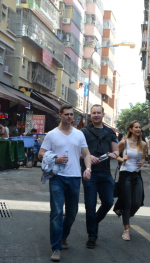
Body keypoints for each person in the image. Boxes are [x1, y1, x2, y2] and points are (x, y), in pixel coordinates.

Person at [38, 104, 92, 262]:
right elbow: (41, 153)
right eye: (67, 114)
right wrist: (55, 159)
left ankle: (63, 236)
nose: (70, 117)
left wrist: (88, 169)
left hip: (75, 177)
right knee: (56, 212)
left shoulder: (79, 134)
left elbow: (86, 153)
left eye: (71, 115)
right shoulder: (52, 135)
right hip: (57, 177)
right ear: (60, 115)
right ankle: (56, 248)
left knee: (72, 212)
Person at [80, 104, 118, 249]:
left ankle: (94, 221)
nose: (96, 115)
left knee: (108, 202)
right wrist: (89, 157)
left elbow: (116, 152)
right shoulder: (83, 131)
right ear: (90, 115)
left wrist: (111, 154)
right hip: (90, 174)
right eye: (93, 113)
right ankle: (92, 235)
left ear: (103, 115)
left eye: (98, 113)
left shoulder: (110, 132)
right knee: (90, 206)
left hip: (105, 173)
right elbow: (77, 152)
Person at [114, 120, 147, 241]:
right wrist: (122, 159)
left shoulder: (143, 144)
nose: (138, 129)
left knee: (137, 202)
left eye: (139, 127)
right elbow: (114, 155)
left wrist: (141, 163)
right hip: (125, 174)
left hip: (136, 174)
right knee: (127, 203)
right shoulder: (124, 142)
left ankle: (126, 215)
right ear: (131, 129)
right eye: (136, 127)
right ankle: (126, 229)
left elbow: (143, 158)